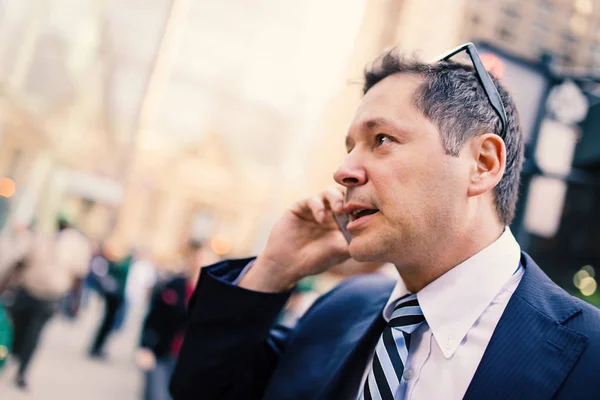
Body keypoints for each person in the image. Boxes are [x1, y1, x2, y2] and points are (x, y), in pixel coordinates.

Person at [170, 44, 600, 400]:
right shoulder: (340, 308)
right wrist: (272, 271)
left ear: (483, 164)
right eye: (350, 147)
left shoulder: (589, 357)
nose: (343, 171)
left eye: (382, 140)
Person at [1, 217, 91, 389]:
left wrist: (75, 303)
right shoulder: (41, 236)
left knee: (33, 334)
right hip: (27, 290)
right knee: (16, 329)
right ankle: (13, 356)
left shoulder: (75, 244)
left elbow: (78, 275)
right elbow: (19, 262)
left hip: (49, 296)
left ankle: (22, 371)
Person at [136, 240, 204, 400]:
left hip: (189, 363)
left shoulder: (213, 297)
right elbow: (154, 317)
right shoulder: (175, 286)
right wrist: (144, 346)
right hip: (162, 352)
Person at [88, 240, 133, 359]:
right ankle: (96, 347)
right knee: (108, 322)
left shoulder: (119, 262)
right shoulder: (118, 263)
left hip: (116, 296)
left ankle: (98, 346)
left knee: (109, 323)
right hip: (114, 296)